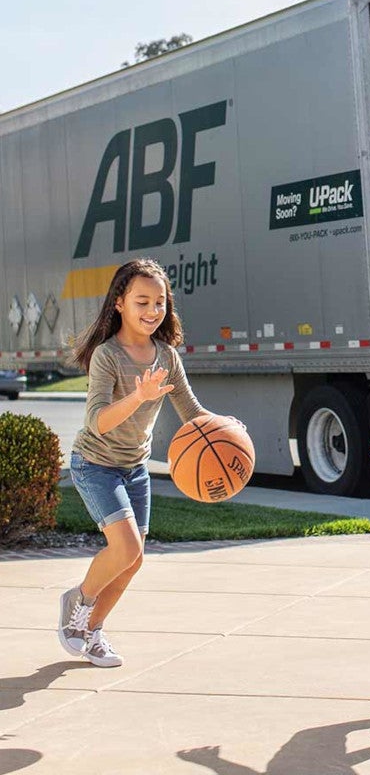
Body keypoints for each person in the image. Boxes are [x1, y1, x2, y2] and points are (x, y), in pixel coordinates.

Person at [58, 258, 210, 667]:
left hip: (134, 467)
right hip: (94, 463)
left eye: (159, 302)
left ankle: (92, 632)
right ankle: (80, 600)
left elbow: (191, 410)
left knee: (134, 558)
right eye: (142, 301)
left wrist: (223, 426)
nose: (152, 311)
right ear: (120, 303)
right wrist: (139, 397)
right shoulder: (107, 356)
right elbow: (99, 421)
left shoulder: (166, 356)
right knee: (124, 547)